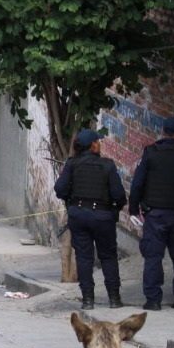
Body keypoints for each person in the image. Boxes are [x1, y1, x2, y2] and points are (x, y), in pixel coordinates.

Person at [128, 116, 174, 311]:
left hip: (155, 216)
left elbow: (137, 184)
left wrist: (133, 209)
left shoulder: (150, 154)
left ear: (163, 132)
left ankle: (153, 300)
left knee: (153, 257)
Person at [53, 129, 127, 310]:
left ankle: (88, 300)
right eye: (98, 142)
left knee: (84, 257)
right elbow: (119, 195)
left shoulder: (72, 164)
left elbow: (60, 189)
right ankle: (114, 299)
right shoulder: (107, 165)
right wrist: (114, 209)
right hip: (103, 216)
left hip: (79, 215)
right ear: (92, 145)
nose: (99, 144)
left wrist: (71, 201)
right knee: (108, 257)